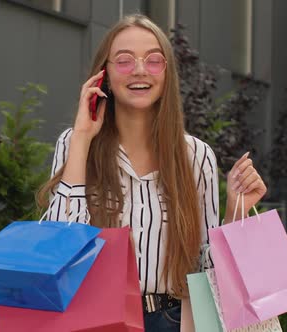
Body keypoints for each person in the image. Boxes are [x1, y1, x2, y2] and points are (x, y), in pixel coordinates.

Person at [37, 14, 267, 331]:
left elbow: (208, 271)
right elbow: (57, 249)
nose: (140, 70)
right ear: (104, 74)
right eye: (125, 60)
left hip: (173, 320)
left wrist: (234, 212)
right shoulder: (77, 144)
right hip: (96, 318)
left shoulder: (196, 157)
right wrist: (81, 138)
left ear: (167, 73)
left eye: (153, 60)